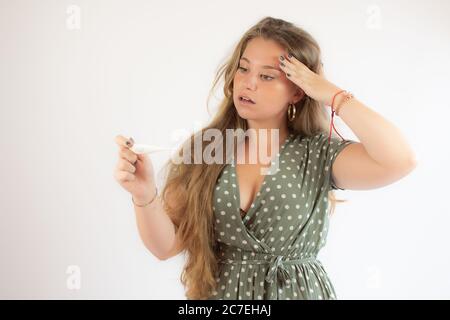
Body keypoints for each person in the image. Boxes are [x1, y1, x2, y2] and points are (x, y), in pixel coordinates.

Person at [114, 17, 417, 300]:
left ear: (299, 91)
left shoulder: (318, 154)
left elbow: (400, 160)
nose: (249, 83)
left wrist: (332, 94)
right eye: (243, 69)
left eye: (267, 76)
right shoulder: (209, 147)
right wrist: (144, 194)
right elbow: (166, 246)